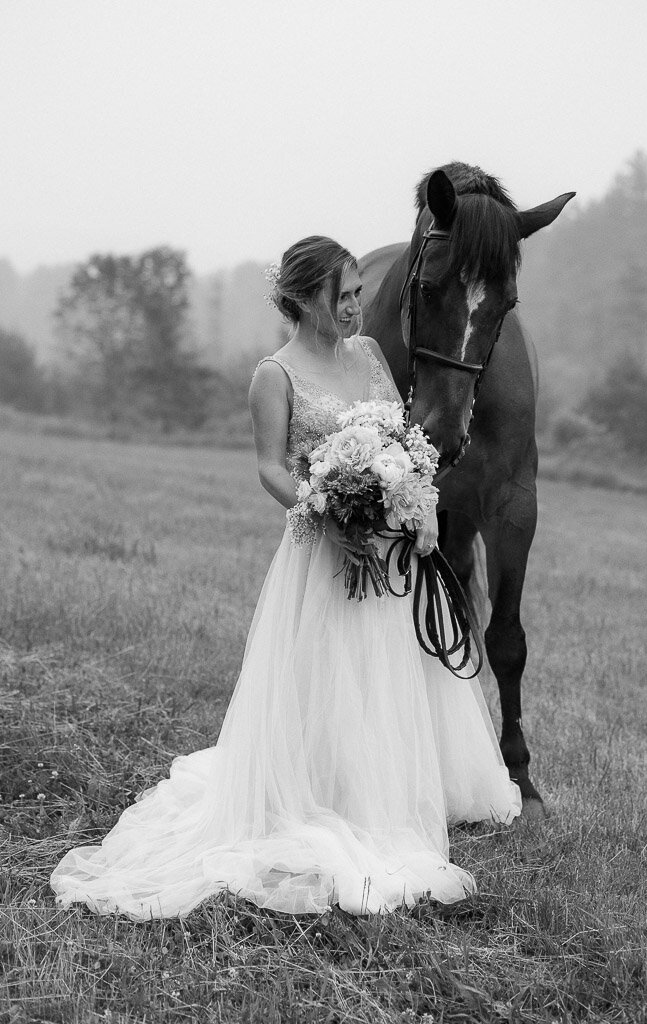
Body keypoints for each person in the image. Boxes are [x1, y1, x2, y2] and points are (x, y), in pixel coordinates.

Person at [50, 236, 521, 920]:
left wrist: (411, 502)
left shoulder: (364, 357)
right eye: (344, 296)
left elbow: (396, 433)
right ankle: (321, 794)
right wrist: (328, 512)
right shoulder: (273, 374)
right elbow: (271, 466)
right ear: (304, 298)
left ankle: (387, 785)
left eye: (360, 292)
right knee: (327, 670)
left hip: (386, 543)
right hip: (322, 546)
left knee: (385, 668)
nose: (357, 307)